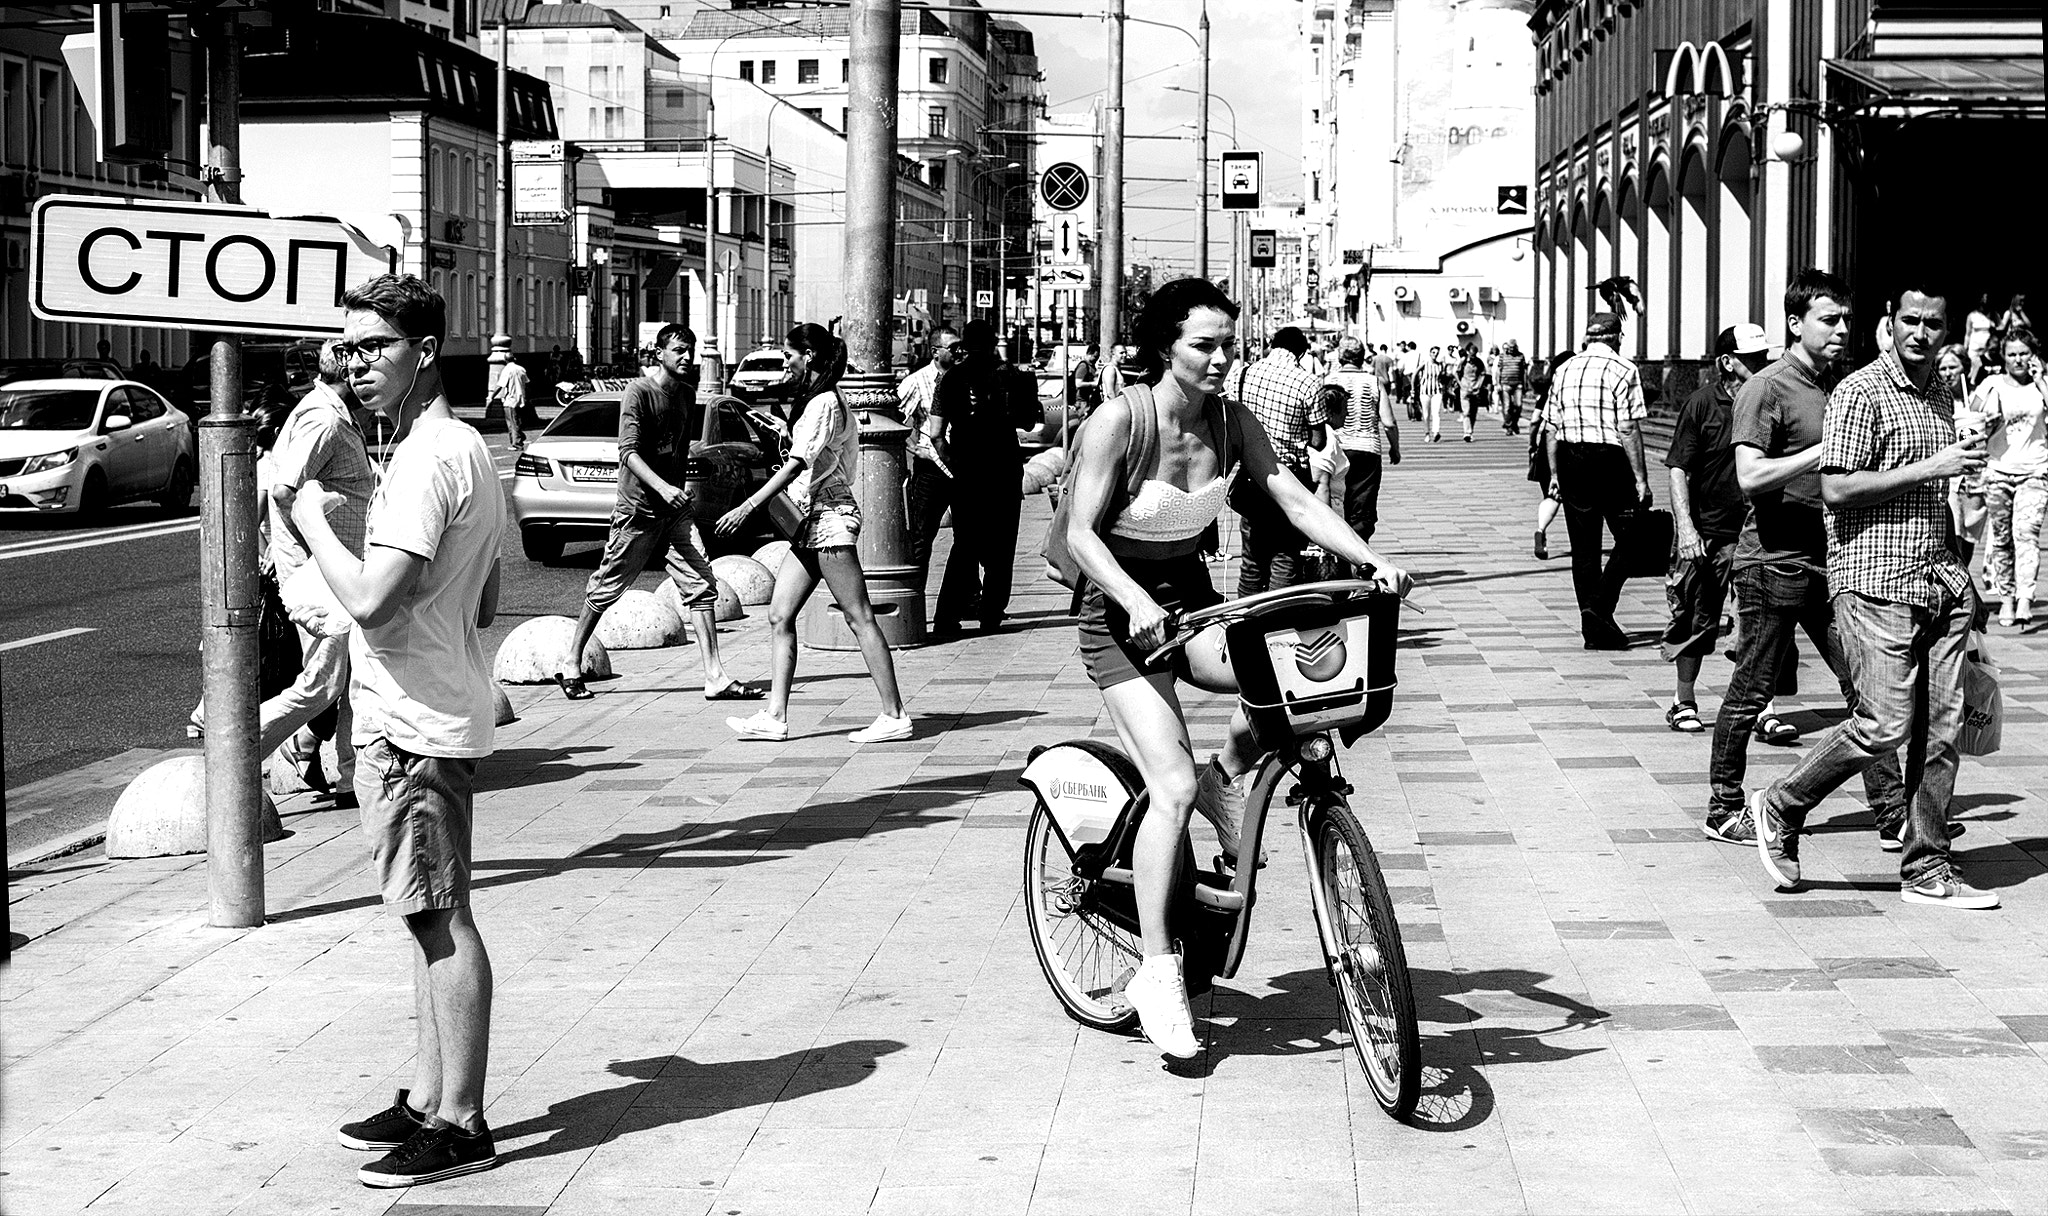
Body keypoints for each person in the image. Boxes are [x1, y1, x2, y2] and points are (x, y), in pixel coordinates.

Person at [1062, 277, 1410, 1059]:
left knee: (1286, 686)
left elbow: (1292, 500)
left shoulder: (1233, 418)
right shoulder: (1121, 420)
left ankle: (1230, 772)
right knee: (1171, 787)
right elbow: (1082, 535)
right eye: (1204, 345)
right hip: (1118, 615)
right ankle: (1157, 971)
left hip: (1187, 599)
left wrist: (1371, 558)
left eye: (1230, 344)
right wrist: (1129, 597)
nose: (1222, 359)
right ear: (1163, 348)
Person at [287, 274, 507, 1186]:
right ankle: (426, 1096)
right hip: (432, 702)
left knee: (442, 918)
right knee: (424, 917)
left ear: (424, 349)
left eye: (375, 345)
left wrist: (308, 518)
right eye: (347, 347)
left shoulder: (423, 459)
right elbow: (489, 595)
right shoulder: (464, 447)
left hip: (412, 722)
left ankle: (461, 1121)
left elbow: (375, 602)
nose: (355, 362)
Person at [1752, 285, 1995, 909]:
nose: (1920, 331)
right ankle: (1782, 802)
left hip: (1941, 581)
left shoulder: (1943, 390)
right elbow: (1835, 488)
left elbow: (1944, 487)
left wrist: (1967, 552)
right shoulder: (1861, 392)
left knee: (1940, 733)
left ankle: (1928, 867)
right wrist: (1930, 468)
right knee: (1883, 725)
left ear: (1947, 329)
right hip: (1877, 580)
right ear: (1891, 322)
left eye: (1933, 322)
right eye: (1909, 319)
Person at [1707, 269, 1904, 846]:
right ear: (1796, 323)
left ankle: (1892, 813)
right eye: (1829, 319)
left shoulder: (1838, 388)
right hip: (1772, 563)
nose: (1843, 330)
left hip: (1834, 564)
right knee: (1750, 689)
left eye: (1847, 319)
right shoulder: (1767, 387)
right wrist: (1823, 451)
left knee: (1867, 690)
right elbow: (1750, 476)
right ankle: (1723, 808)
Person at [717, 324, 910, 743]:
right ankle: (775, 716)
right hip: (812, 522)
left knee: (859, 618)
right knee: (779, 614)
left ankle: (894, 714)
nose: (786, 363)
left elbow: (797, 464)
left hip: (829, 519)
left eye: (790, 355)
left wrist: (748, 506)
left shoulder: (825, 401)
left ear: (810, 356)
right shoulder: (827, 400)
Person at [553, 324, 760, 703]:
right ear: (659, 353)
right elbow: (628, 453)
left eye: (691, 350)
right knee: (607, 587)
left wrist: (678, 495)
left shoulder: (686, 394)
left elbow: (679, 451)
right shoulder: (639, 392)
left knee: (700, 584)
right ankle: (571, 661)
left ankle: (714, 675)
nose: (686, 357)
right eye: (679, 349)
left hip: (674, 513)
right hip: (639, 511)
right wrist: (663, 488)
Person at [262, 339, 377, 801]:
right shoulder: (325, 418)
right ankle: (235, 754)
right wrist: (318, 547)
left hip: (340, 569)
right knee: (324, 681)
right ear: (346, 374)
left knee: (351, 674)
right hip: (320, 574)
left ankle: (349, 772)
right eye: (364, 367)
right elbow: (284, 490)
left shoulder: (335, 414)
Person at [1661, 324, 1769, 735]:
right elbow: (1678, 468)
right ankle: (1682, 700)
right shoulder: (1702, 404)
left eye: (1764, 358)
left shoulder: (1767, 399)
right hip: (1708, 533)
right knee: (1695, 618)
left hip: (1755, 533)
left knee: (1759, 622)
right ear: (1727, 361)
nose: (1760, 366)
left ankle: (1762, 707)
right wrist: (1685, 527)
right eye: (1751, 359)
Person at [1545, 312, 1648, 648]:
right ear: (1616, 336)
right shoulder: (1624, 369)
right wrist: (1641, 478)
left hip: (1572, 460)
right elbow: (1628, 428)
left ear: (1588, 337)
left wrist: (1556, 475)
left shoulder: (1563, 370)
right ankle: (1600, 608)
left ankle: (1593, 629)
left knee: (1584, 550)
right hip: (1610, 461)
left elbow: (1551, 428)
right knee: (1634, 539)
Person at [930, 319, 1025, 634]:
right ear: (994, 341)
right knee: (1001, 547)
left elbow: (935, 434)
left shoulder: (950, 378)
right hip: (1004, 471)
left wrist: (954, 463)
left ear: (963, 345)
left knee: (965, 545)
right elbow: (1026, 421)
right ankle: (991, 616)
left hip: (968, 472)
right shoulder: (1011, 375)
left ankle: (946, 617)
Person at [1234, 326, 1328, 594]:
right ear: (1302, 352)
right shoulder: (1308, 382)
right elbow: (1318, 441)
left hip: (1252, 476)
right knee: (1287, 552)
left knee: (1252, 556)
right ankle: (1278, 618)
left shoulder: (1242, 375)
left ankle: (1246, 619)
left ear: (1272, 345)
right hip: (1291, 476)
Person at [1976, 327, 2045, 626]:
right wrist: (1986, 419)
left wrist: (2041, 379)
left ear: (2034, 355)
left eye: (2024, 354)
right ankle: (2006, 598)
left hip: (2035, 470)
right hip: (1998, 470)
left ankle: (2025, 598)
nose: (2018, 359)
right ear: (2003, 357)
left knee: (2026, 534)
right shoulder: (1991, 385)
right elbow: (1971, 419)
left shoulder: (2042, 385)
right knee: (2002, 539)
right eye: (2012, 354)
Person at [899, 324, 961, 576]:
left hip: (960, 466)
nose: (959, 351)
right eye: (953, 347)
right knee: (922, 536)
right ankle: (916, 597)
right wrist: (915, 448)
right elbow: (893, 420)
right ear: (936, 351)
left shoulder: (963, 378)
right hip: (931, 470)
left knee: (967, 537)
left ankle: (968, 598)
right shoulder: (916, 381)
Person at [1324, 336, 1397, 541]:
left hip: (1334, 448)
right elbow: (1389, 422)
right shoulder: (1373, 381)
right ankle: (1359, 554)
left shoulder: (1328, 381)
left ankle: (1339, 551)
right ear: (1362, 357)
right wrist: (1395, 448)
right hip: (1367, 449)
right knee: (1362, 505)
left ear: (1339, 356)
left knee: (1336, 501)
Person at [1524, 353, 1567, 560]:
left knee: (1550, 496)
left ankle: (1541, 530)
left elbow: (1534, 421)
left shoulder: (1549, 392)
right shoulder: (1572, 390)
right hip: (1568, 450)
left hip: (1545, 450)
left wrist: (1531, 445)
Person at [489, 354, 531, 450]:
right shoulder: (521, 369)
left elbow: (500, 385)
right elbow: (527, 384)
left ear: (505, 360)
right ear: (514, 359)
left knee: (512, 423)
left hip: (510, 400)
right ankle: (520, 437)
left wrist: (492, 396)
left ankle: (517, 443)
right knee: (518, 421)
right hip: (521, 399)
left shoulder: (507, 370)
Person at [1456, 346, 1488, 442]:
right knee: (1466, 411)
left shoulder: (1479, 362)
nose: (1472, 357)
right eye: (1471, 355)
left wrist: (1479, 384)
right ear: (1468, 353)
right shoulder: (1463, 361)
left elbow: (1483, 373)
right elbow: (1456, 372)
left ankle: (1470, 432)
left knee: (1473, 412)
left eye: (1474, 355)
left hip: (1475, 389)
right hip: (1465, 388)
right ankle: (1467, 433)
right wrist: (1460, 383)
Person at [1497, 339, 1528, 432]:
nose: (1510, 350)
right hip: (1505, 384)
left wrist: (1525, 383)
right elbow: (1499, 370)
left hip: (1518, 384)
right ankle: (1509, 426)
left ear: (1516, 347)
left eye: (1512, 348)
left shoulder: (1521, 356)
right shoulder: (1502, 356)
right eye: (1509, 348)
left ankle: (1515, 422)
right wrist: (1498, 383)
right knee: (1507, 407)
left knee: (1518, 405)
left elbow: (1524, 371)